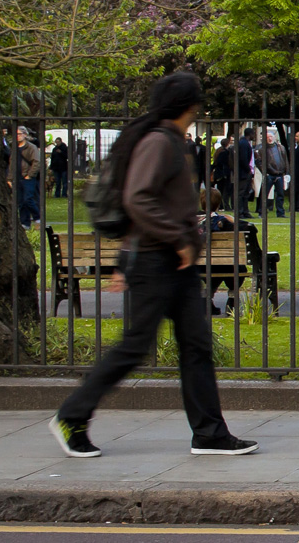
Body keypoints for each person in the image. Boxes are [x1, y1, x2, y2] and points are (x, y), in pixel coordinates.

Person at [50, 70, 258, 459]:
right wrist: (177, 239)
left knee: (196, 345)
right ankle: (71, 415)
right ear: (191, 105)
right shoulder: (159, 143)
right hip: (155, 261)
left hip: (167, 261)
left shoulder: (169, 141)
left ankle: (210, 434)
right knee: (135, 347)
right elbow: (138, 198)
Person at [12, 126, 43, 228]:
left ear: (25, 135)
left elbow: (36, 162)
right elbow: (11, 163)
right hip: (18, 177)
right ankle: (25, 222)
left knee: (28, 199)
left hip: (27, 177)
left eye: (19, 134)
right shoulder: (14, 147)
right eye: (16, 134)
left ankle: (37, 216)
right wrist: (9, 178)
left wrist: (30, 175)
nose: (18, 136)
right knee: (21, 202)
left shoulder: (31, 147)